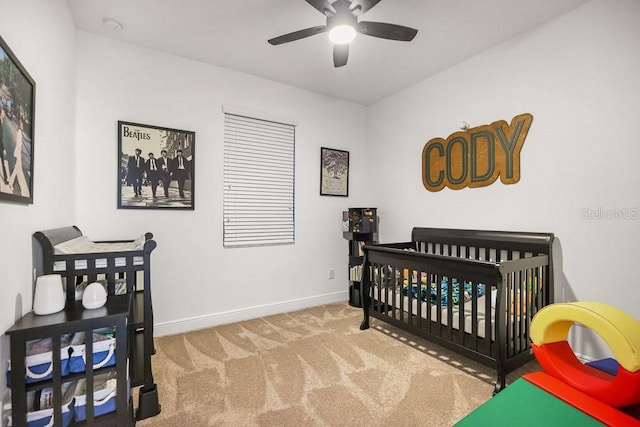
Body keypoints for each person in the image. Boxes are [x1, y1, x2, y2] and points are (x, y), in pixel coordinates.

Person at [9, 120, 29, 197]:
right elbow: (19, 145)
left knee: (17, 169)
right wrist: (19, 155)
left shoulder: (19, 132)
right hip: (18, 154)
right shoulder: (19, 132)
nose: (23, 126)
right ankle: (22, 189)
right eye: (22, 125)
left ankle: (11, 181)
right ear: (20, 125)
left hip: (18, 153)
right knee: (18, 170)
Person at [0, 106, 9, 185]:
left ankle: (6, 179)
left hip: (0, 146)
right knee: (2, 163)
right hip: (0, 146)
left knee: (3, 163)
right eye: (3, 112)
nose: (4, 114)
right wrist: (3, 148)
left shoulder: (1, 121)